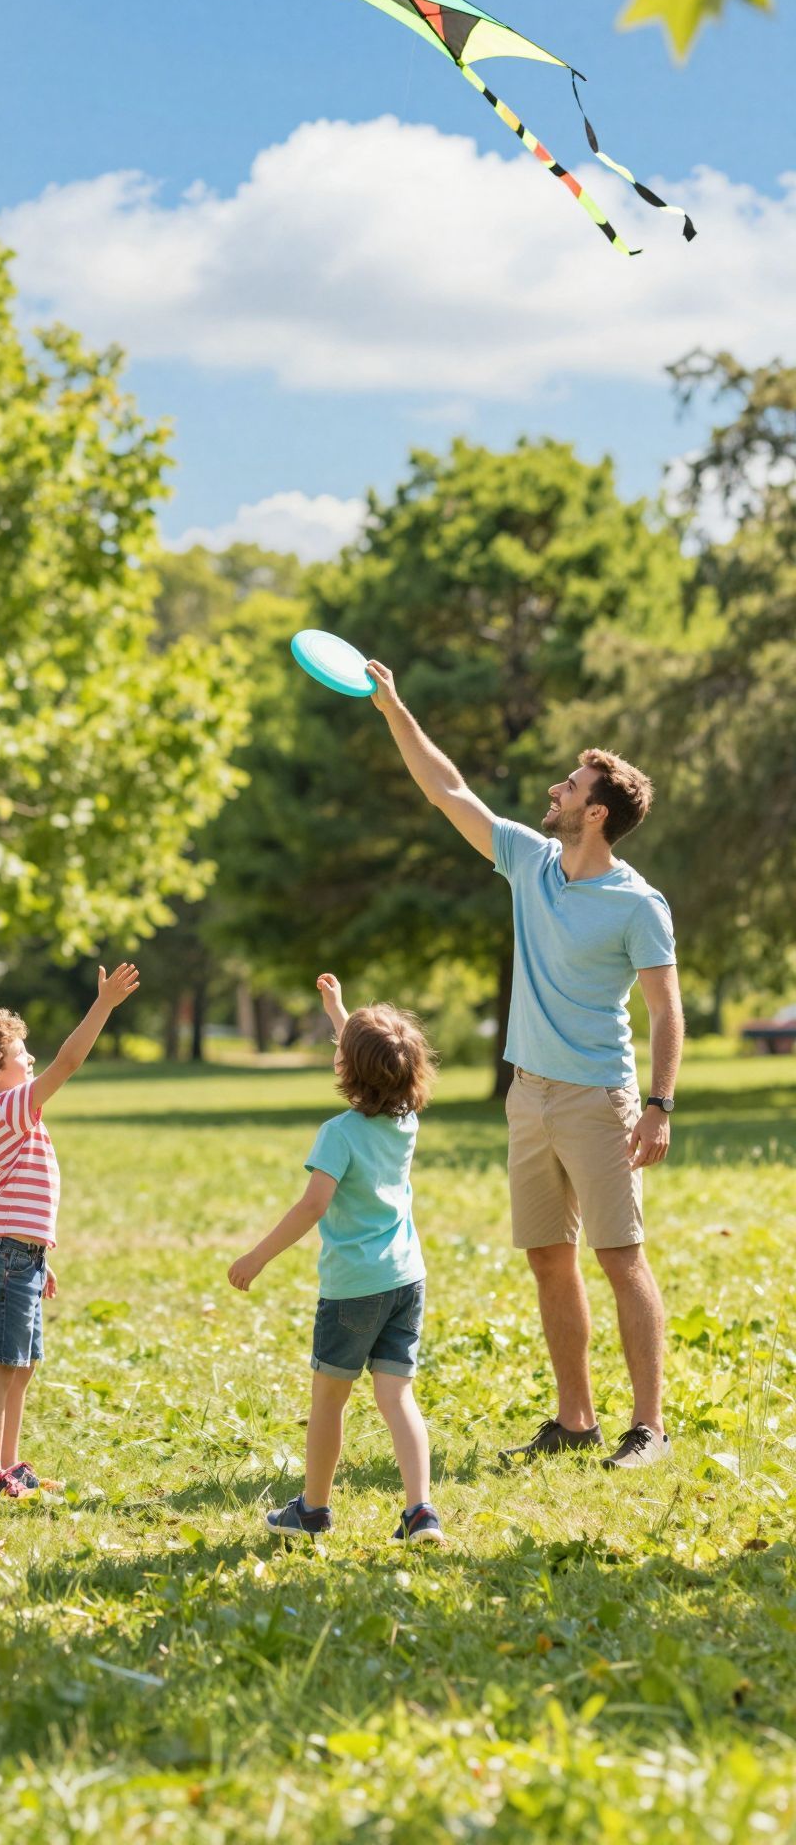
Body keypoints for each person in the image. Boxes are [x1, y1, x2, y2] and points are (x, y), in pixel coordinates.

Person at [365, 660, 683, 1471]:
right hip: (528, 1095)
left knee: (620, 1258)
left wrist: (659, 1103)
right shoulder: (530, 861)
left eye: (571, 785)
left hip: (600, 1099)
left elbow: (664, 1010)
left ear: (598, 812)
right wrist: (395, 707)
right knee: (549, 1256)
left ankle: (648, 1427)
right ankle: (574, 1420)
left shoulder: (638, 904)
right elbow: (449, 789)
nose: (556, 789)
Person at [228, 973, 443, 1544]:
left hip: (353, 1289)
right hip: (406, 1278)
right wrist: (338, 1010)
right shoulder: (406, 1121)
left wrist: (257, 1256)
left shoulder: (338, 1134)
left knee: (329, 1399)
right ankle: (421, 1510)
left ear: (346, 1070)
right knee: (397, 1396)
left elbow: (312, 1206)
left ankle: (313, 1510)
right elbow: (378, 1060)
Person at [0, 962, 140, 1501]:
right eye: (19, 1053)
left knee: (21, 1367)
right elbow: (69, 1062)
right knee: (0, 1367)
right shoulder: (5, 1108)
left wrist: (40, 1255)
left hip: (19, 1255)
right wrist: (104, 1006)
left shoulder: (16, 1109)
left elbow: (24, 1198)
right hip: (2, 1255)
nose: (30, 1057)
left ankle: (7, 1466)